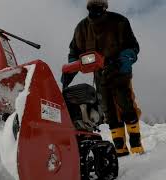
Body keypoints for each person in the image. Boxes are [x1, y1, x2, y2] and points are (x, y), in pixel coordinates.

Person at [62, 0, 144, 157]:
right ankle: (120, 150)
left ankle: (136, 147)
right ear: (88, 7)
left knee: (126, 107)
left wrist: (125, 58)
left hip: (119, 72)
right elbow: (74, 54)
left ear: (105, 7)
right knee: (110, 112)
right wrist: (69, 72)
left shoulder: (119, 22)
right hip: (100, 76)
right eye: (92, 6)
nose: (96, 9)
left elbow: (133, 46)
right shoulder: (81, 28)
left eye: (99, 6)